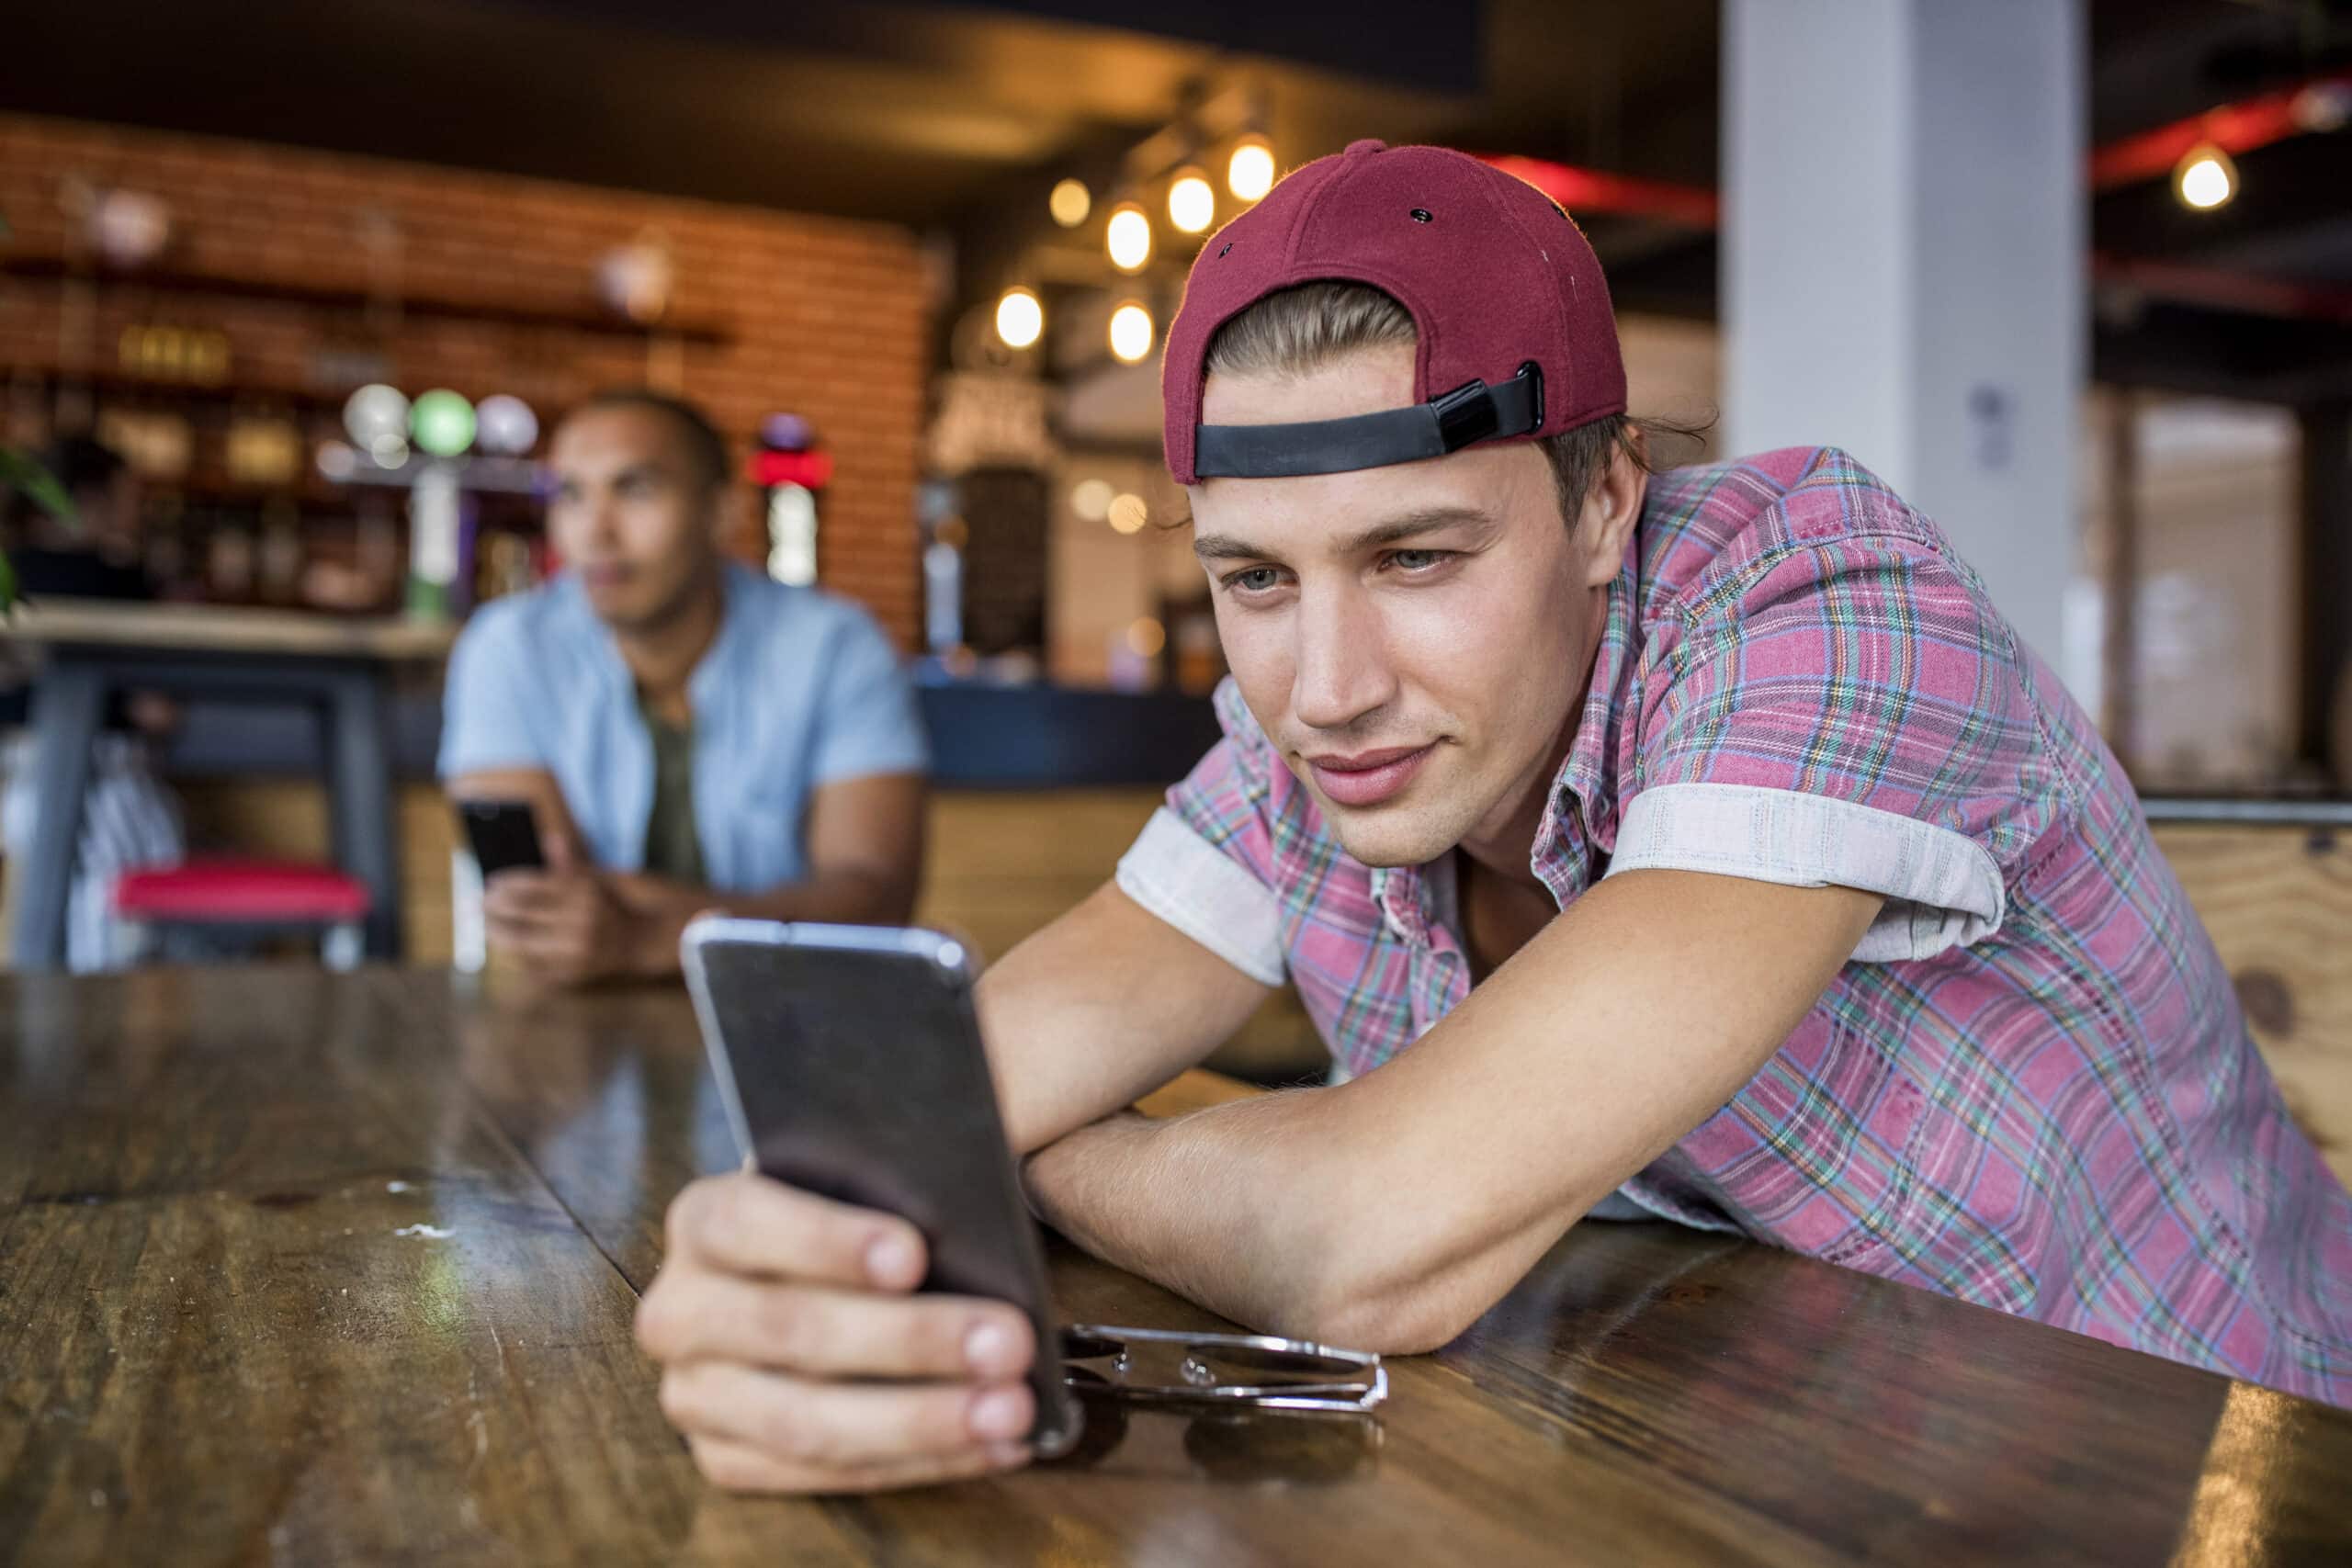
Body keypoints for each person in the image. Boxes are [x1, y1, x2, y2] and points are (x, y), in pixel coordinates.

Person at [635, 141, 2352, 1493]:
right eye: (1253, 577)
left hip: (2219, 1476)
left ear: (1603, 502)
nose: (1324, 684)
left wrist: (1037, 1155)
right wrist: (795, 1240)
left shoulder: (1819, 598)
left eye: (1418, 556)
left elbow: (1363, 1247)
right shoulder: (1339, 736)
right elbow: (900, 1107)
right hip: (1742, 1478)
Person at [438, 389, 927, 985]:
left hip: (795, 1019)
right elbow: (546, 908)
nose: (595, 531)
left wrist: (647, 934)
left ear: (720, 513)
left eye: (635, 489)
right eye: (570, 494)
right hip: (571, 1030)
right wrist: (789, 913)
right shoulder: (507, 647)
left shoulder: (837, 646)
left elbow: (877, 903)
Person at [0, 434, 184, 971]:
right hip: (96, 787)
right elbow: (159, 709)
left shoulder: (9, 569)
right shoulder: (121, 578)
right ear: (90, 498)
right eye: (130, 496)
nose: (137, 510)